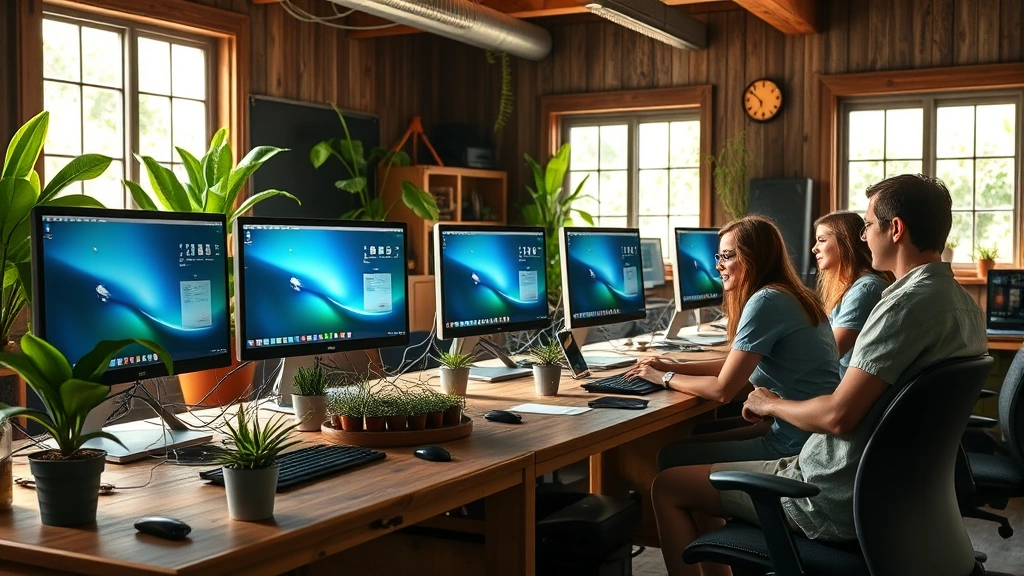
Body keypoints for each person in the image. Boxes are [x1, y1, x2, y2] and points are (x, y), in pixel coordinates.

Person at [650, 174, 987, 576]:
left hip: (825, 490)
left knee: (668, 486)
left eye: (867, 225)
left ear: (895, 229)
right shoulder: (964, 306)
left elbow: (837, 416)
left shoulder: (901, 308)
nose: (863, 237)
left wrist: (771, 404)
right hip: (894, 492)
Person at [625, 216, 840, 470]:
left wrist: (663, 377)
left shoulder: (766, 301)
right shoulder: (790, 294)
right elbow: (733, 366)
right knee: (694, 436)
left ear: (752, 258)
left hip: (797, 445)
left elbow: (722, 390)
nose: (718, 265)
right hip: (806, 433)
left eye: (726, 256)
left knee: (670, 457)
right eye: (719, 257)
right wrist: (672, 365)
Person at [812, 211, 890, 377]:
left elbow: (829, 354)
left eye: (822, 240)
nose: (814, 248)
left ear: (844, 242)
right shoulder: (854, 288)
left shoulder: (866, 290)